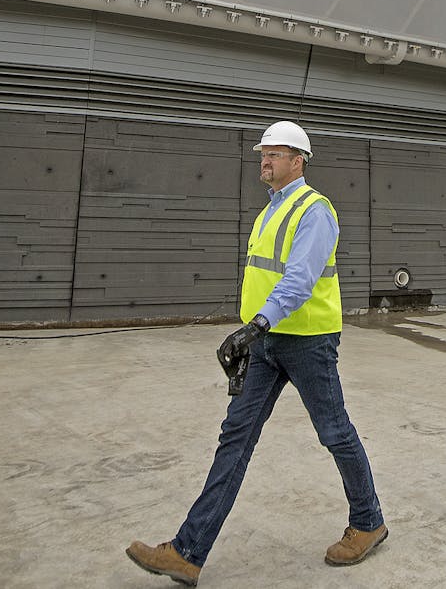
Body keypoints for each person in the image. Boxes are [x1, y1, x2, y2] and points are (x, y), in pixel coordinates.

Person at [125, 121, 387, 586]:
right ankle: (188, 551)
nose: (264, 161)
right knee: (235, 438)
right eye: (262, 154)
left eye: (274, 154)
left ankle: (368, 522)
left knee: (334, 432)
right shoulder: (270, 210)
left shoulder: (315, 210)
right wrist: (254, 331)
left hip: (307, 341)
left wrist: (256, 325)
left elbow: (300, 280)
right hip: (265, 342)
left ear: (298, 160)